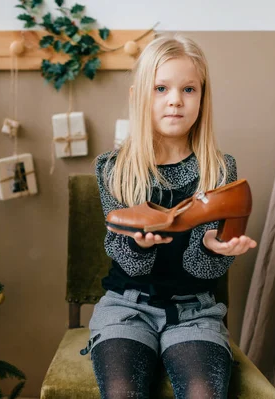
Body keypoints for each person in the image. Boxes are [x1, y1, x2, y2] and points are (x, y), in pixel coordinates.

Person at [83, 34, 258, 399]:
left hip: (196, 311)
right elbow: (130, 265)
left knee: (204, 394)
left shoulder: (220, 170)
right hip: (126, 308)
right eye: (161, 88)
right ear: (138, 97)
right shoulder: (113, 169)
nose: (175, 100)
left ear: (202, 98)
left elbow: (202, 272)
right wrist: (139, 244)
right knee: (122, 393)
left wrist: (214, 250)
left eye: (188, 89)